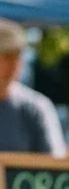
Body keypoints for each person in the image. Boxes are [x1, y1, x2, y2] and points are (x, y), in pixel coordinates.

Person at [0, 18, 65, 156]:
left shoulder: (37, 108)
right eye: (7, 56)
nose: (14, 64)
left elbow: (55, 165)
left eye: (18, 56)